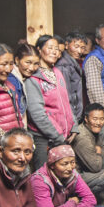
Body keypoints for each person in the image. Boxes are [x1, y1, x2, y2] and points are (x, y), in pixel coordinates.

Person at [25, 35, 76, 168]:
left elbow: (67, 102)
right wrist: (58, 136)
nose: (55, 52)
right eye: (50, 48)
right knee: (43, 177)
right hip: (44, 138)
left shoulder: (57, 73)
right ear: (39, 50)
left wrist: (74, 126)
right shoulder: (33, 79)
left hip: (63, 136)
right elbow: (37, 114)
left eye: (57, 49)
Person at [31, 144, 95, 207]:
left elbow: (90, 199)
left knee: (82, 203)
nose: (70, 168)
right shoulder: (40, 181)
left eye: (72, 162)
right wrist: (72, 204)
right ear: (52, 165)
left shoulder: (72, 174)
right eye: (64, 164)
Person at [71, 103, 104, 201]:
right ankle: (82, 197)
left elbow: (103, 151)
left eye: (102, 119)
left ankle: (100, 193)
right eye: (95, 119)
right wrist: (98, 152)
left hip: (86, 168)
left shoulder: (93, 130)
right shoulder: (83, 138)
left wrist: (99, 151)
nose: (99, 122)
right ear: (86, 119)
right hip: (74, 177)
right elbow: (95, 167)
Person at [57, 31, 87, 122]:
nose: (79, 51)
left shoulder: (73, 63)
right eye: (76, 46)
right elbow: (65, 96)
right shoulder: (64, 66)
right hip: (70, 117)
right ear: (66, 45)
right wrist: (72, 119)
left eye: (82, 48)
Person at [9, 40, 40, 121]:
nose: (32, 68)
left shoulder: (21, 78)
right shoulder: (12, 80)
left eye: (36, 64)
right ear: (17, 60)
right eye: (28, 62)